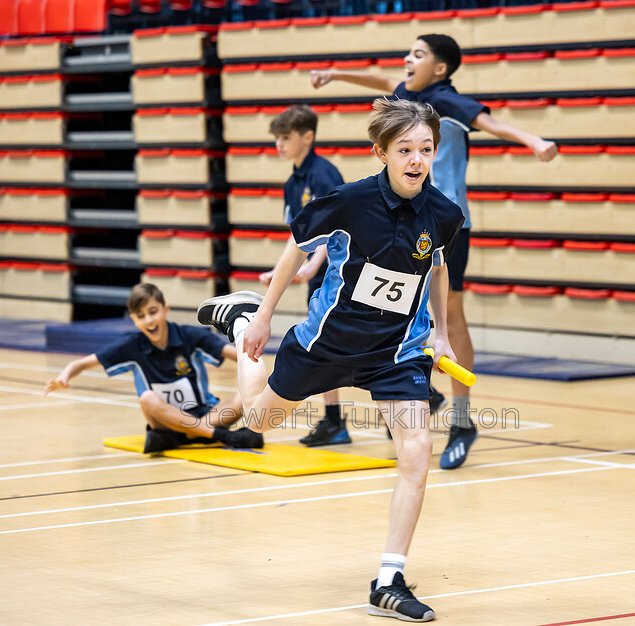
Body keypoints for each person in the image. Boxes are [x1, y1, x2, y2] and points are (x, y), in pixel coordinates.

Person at [198, 98, 463, 622]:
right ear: (382, 153)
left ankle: (388, 580)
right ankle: (240, 315)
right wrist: (266, 313)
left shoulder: (445, 214)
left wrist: (443, 333)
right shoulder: (348, 201)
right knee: (257, 421)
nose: (416, 160)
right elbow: (296, 247)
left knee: (417, 449)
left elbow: (437, 268)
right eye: (404, 150)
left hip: (395, 351)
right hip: (326, 343)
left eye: (425, 150)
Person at [310, 33, 558, 470]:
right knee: (394, 307)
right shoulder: (408, 93)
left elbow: (495, 124)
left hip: (444, 226)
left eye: (418, 54)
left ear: (439, 68)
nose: (407, 59)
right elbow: (381, 78)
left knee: (451, 315)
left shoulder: (449, 101)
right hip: (398, 219)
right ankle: (419, 391)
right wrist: (337, 74)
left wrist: (534, 141)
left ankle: (462, 420)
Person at [44, 283, 262, 453]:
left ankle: (181, 437)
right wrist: (64, 376)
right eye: (141, 316)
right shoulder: (131, 345)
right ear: (133, 320)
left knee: (245, 394)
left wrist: (255, 364)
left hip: (206, 415)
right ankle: (224, 437)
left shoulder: (190, 335)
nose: (149, 320)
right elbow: (81, 363)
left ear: (165, 309)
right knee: (146, 398)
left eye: (153, 311)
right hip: (164, 421)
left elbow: (238, 356)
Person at [259, 104, 349, 447]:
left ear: (307, 137)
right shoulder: (293, 182)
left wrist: (315, 263)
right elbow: (299, 235)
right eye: (277, 138)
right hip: (320, 275)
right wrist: (284, 268)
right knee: (325, 346)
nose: (279, 144)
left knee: (332, 346)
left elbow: (336, 225)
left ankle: (419, 395)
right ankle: (334, 422)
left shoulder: (323, 175)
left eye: (286, 138)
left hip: (341, 273)